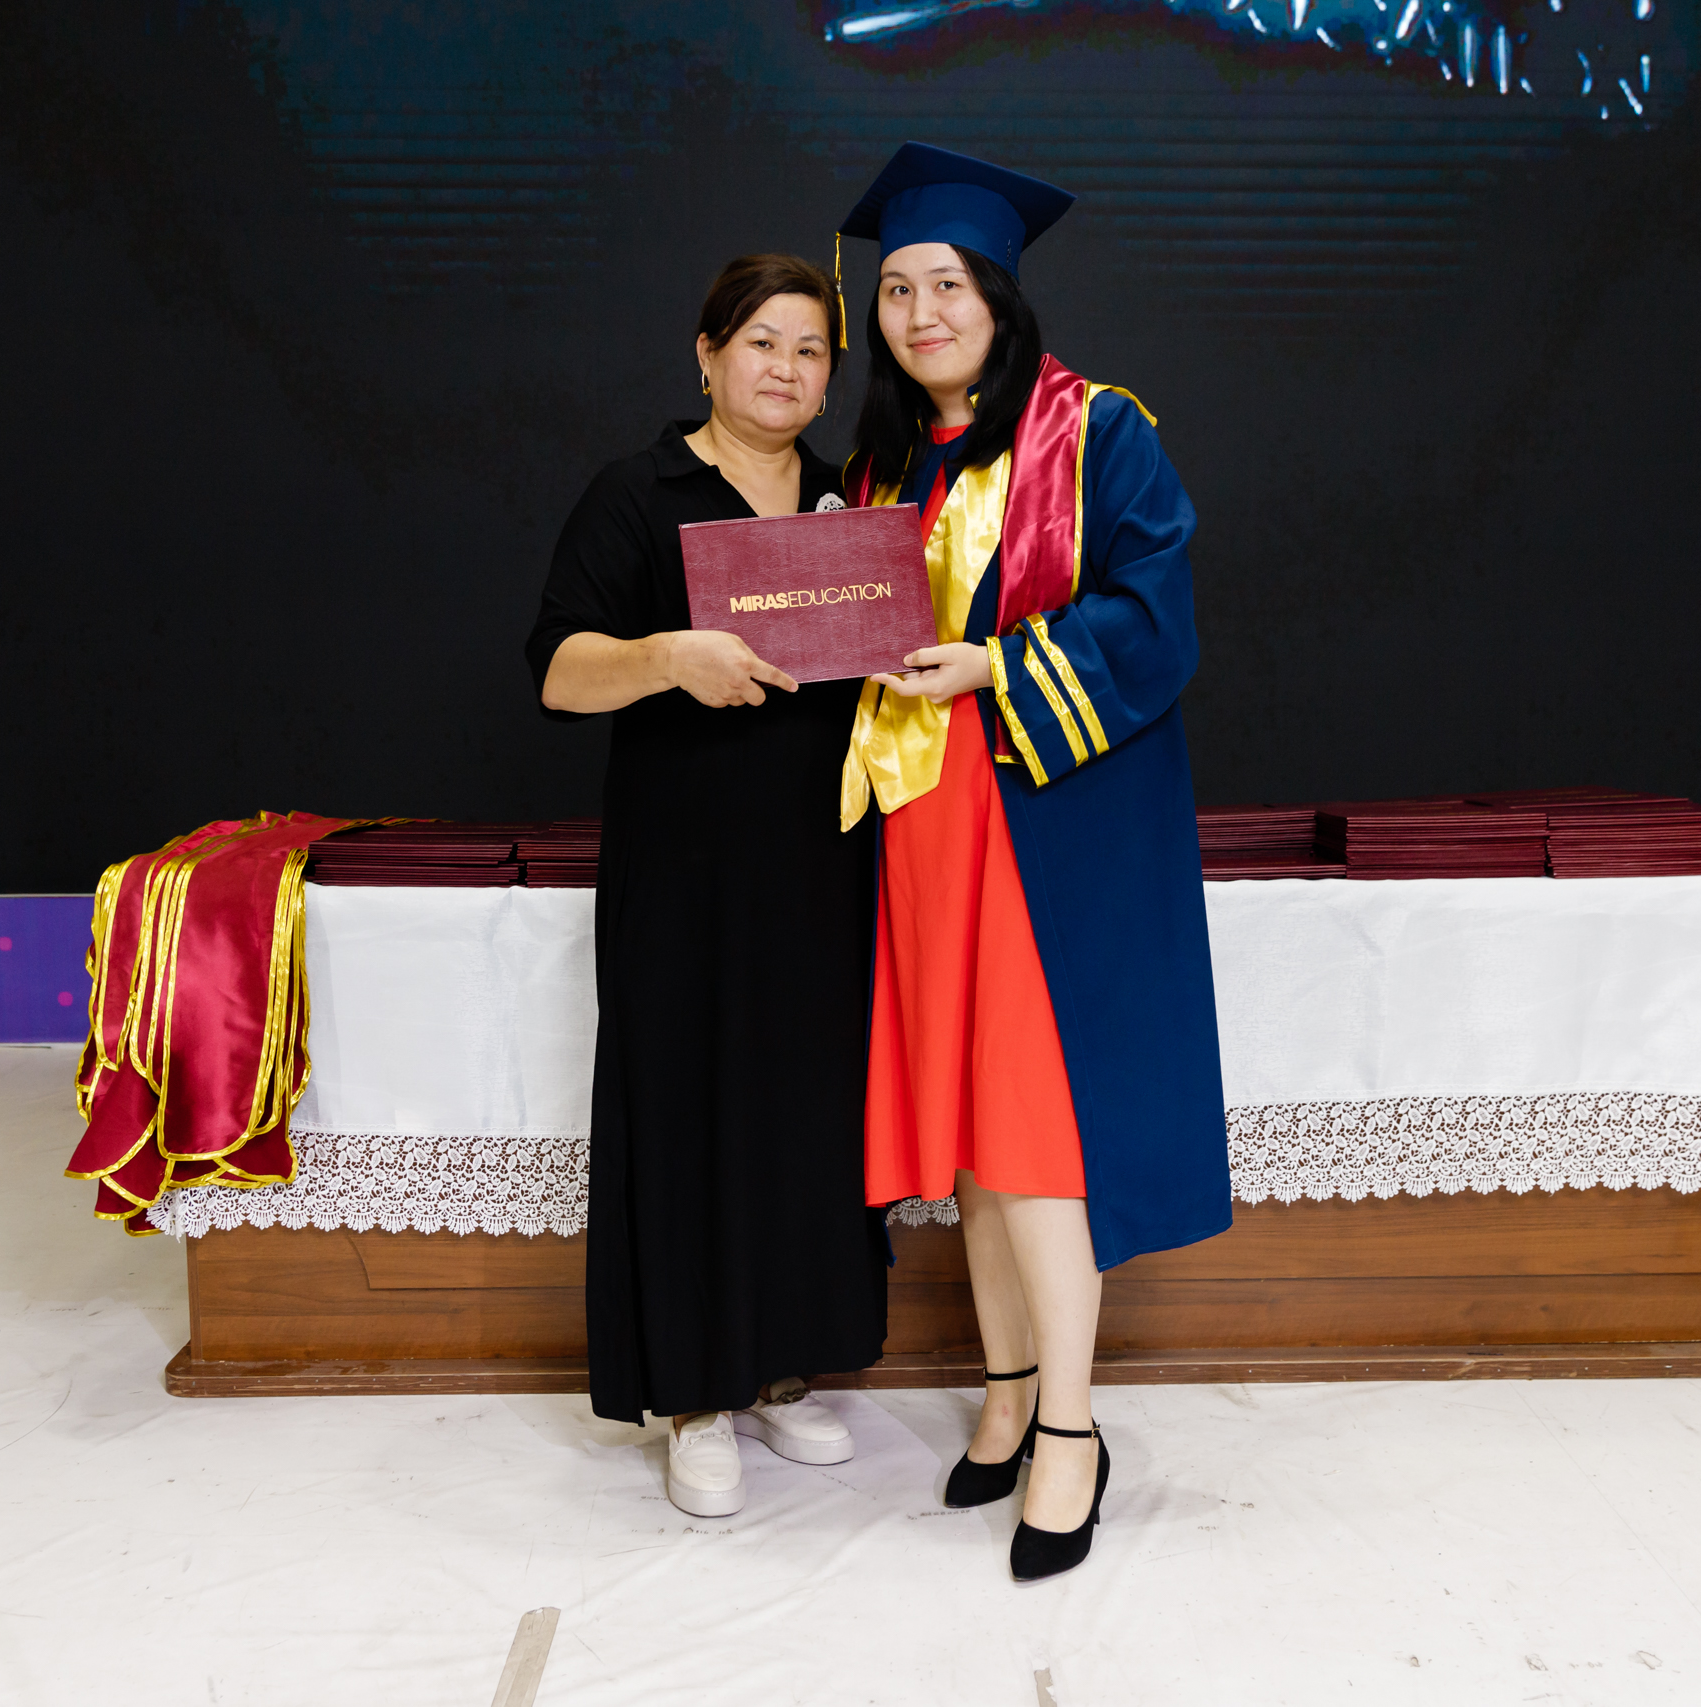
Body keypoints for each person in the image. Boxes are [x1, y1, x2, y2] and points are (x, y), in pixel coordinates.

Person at [838, 145, 1232, 1581]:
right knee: (971, 1140)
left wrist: (994, 665)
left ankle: (1069, 1425)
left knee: (1036, 1135)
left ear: (999, 297)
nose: (921, 312)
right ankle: (1005, 1391)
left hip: (1044, 828)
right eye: (896, 289)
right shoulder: (884, 464)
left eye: (946, 284)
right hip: (922, 828)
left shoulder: (1096, 431)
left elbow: (1158, 618)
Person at [526, 254, 885, 1519]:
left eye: (809, 351)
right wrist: (668, 657)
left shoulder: (852, 503)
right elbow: (557, 671)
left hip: (821, 869)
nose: (785, 370)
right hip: (682, 875)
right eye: (761, 343)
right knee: (685, 1112)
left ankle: (781, 1369)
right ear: (707, 354)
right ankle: (692, 1395)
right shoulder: (639, 494)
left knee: (804, 1114)